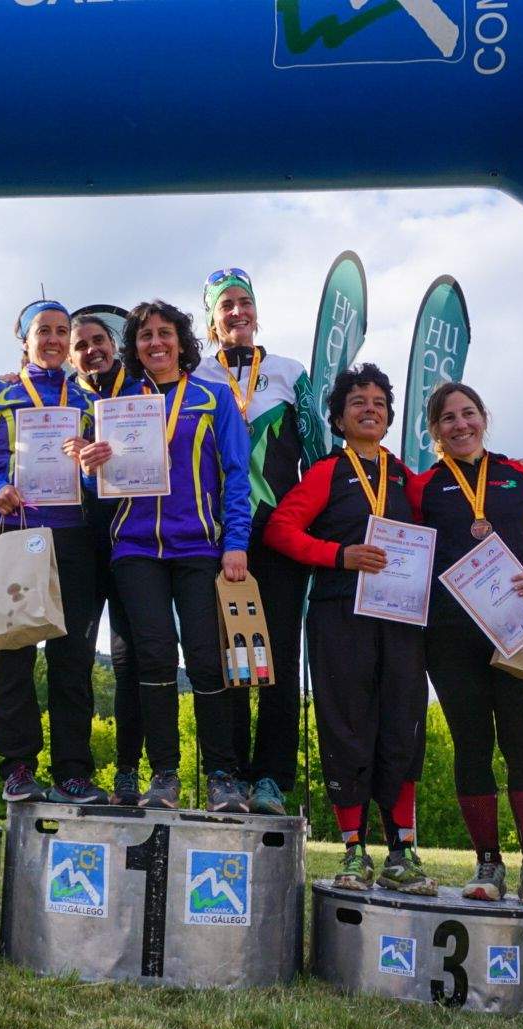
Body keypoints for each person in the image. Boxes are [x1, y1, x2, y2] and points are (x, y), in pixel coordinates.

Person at [74, 299, 252, 812]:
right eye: (145, 335)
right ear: (134, 346)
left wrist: (236, 543)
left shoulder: (213, 399)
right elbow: (102, 486)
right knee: (153, 658)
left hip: (197, 546)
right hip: (135, 549)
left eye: (164, 333)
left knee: (205, 659)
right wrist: (90, 467)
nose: (156, 343)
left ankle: (221, 776)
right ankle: (165, 776)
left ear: (181, 340)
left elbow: (237, 476)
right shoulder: (119, 403)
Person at [265, 363, 432, 893]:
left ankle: (402, 851)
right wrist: (340, 555)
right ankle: (354, 850)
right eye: (358, 402)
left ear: (389, 417)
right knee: (347, 727)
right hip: (339, 613)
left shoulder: (406, 476)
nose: (370, 410)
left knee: (402, 726)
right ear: (337, 418)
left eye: (379, 403)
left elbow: (450, 507)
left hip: (401, 618)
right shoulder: (326, 473)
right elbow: (279, 530)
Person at [409, 381, 523, 906]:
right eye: (448, 418)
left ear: (484, 418)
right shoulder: (422, 488)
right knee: (471, 747)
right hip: (450, 638)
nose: (460, 424)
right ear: (435, 431)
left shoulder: (522, 476)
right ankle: (488, 864)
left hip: (518, 633)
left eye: (468, 413)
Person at [0, 300, 106, 805]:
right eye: (44, 331)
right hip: (10, 531)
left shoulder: (86, 398)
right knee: (13, 655)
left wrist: (89, 466)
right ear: (25, 339)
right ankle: (17, 768)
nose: (54, 339)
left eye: (62, 331)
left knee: (73, 660)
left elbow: (101, 477)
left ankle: (73, 772)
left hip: (74, 538)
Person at [194, 269, 324, 815]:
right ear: (212, 319)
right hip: (214, 535)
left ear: (257, 310)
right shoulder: (195, 374)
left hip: (277, 534)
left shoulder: (290, 372)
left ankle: (271, 777)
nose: (237, 312)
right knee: (224, 656)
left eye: (244, 302)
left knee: (280, 656)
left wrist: (315, 525)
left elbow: (317, 455)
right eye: (225, 305)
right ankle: (226, 775)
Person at [65, 309, 146, 806]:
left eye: (99, 340)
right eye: (81, 345)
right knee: (74, 654)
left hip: (134, 534)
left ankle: (128, 771)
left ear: (114, 345)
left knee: (129, 657)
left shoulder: (142, 391)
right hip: (77, 536)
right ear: (70, 356)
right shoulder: (58, 396)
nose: (92, 350)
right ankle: (74, 771)